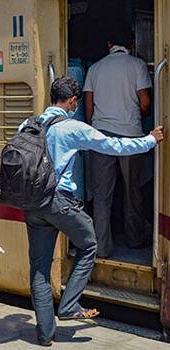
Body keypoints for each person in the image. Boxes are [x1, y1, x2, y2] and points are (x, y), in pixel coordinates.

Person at [21, 76, 163, 346]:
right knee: (89, 244)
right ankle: (69, 305)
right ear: (73, 102)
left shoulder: (28, 124)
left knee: (39, 268)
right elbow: (114, 146)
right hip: (59, 201)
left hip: (32, 204)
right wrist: (149, 140)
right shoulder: (73, 128)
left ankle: (44, 335)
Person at [83, 28, 153, 258]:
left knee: (102, 195)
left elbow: (89, 108)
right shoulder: (137, 65)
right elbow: (145, 103)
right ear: (131, 44)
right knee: (132, 189)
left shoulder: (95, 68)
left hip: (101, 137)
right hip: (131, 136)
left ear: (109, 44)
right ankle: (134, 239)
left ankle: (101, 248)